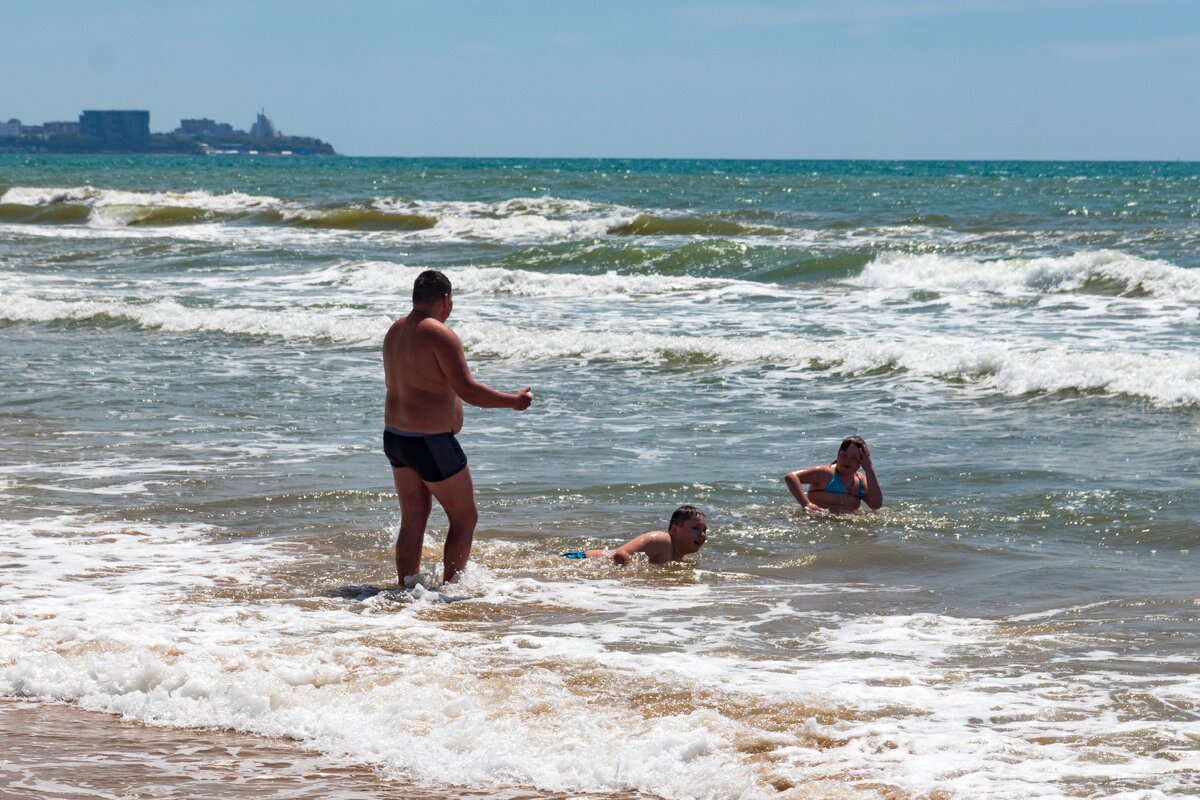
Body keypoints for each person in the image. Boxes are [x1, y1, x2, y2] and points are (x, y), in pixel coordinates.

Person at [383, 269, 533, 585]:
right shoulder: (439, 334)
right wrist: (514, 401)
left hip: (396, 438)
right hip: (430, 443)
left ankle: (407, 587)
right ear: (446, 301)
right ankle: (451, 592)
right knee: (465, 518)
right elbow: (469, 389)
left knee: (413, 518)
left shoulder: (395, 331)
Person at [562, 505, 709, 565]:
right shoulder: (662, 541)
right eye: (696, 528)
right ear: (675, 531)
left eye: (704, 530)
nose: (702, 535)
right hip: (578, 559)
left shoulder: (680, 558)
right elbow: (620, 555)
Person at [784, 435, 883, 513]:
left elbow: (876, 505)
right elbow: (791, 477)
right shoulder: (825, 474)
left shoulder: (861, 482)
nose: (847, 461)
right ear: (838, 454)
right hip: (816, 523)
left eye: (853, 458)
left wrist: (869, 469)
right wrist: (806, 504)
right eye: (844, 455)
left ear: (861, 462)